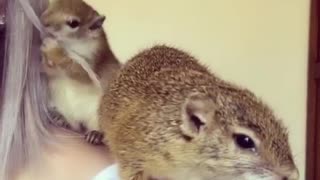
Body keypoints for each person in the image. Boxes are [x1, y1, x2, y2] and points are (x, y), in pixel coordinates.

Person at [0, 0, 119, 179]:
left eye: (71, 23)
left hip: (93, 115)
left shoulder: (93, 49)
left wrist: (59, 58)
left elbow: (84, 76)